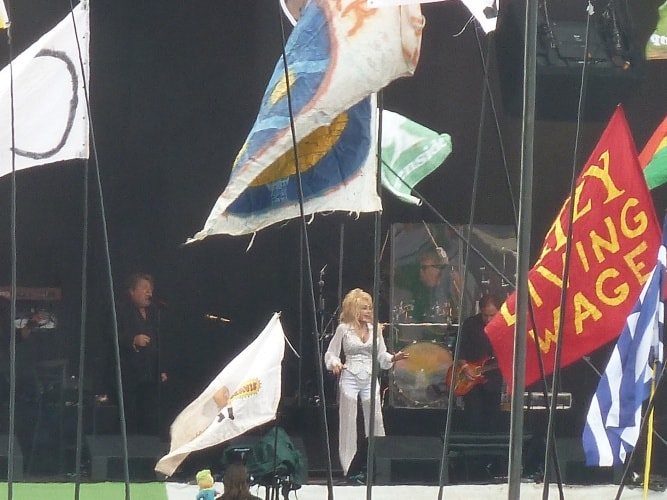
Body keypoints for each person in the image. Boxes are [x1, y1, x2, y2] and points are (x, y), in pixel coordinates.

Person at [324, 288, 408, 481]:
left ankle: (378, 466)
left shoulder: (375, 329)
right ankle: (348, 469)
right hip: (350, 377)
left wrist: (394, 358)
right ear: (354, 309)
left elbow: (382, 356)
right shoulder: (344, 329)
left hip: (370, 378)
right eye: (364, 308)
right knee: (348, 422)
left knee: (376, 420)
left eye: (370, 308)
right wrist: (335, 364)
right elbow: (331, 353)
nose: (369, 311)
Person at [117, 272, 168, 435]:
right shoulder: (121, 310)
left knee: (150, 417)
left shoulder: (154, 313)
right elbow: (110, 336)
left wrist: (161, 369)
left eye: (151, 289)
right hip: (130, 376)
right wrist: (132, 340)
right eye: (144, 288)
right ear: (132, 291)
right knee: (131, 417)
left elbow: (159, 342)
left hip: (150, 375)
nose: (149, 292)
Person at [456, 293, 504, 433]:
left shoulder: (506, 326)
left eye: (492, 315)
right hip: (470, 378)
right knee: (473, 416)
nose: (488, 319)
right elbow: (460, 348)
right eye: (485, 315)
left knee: (492, 418)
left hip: (493, 378)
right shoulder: (470, 324)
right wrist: (465, 367)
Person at [412, 249, 460, 323]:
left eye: (424, 268)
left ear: (437, 268)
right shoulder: (424, 291)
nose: (421, 272)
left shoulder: (452, 283)